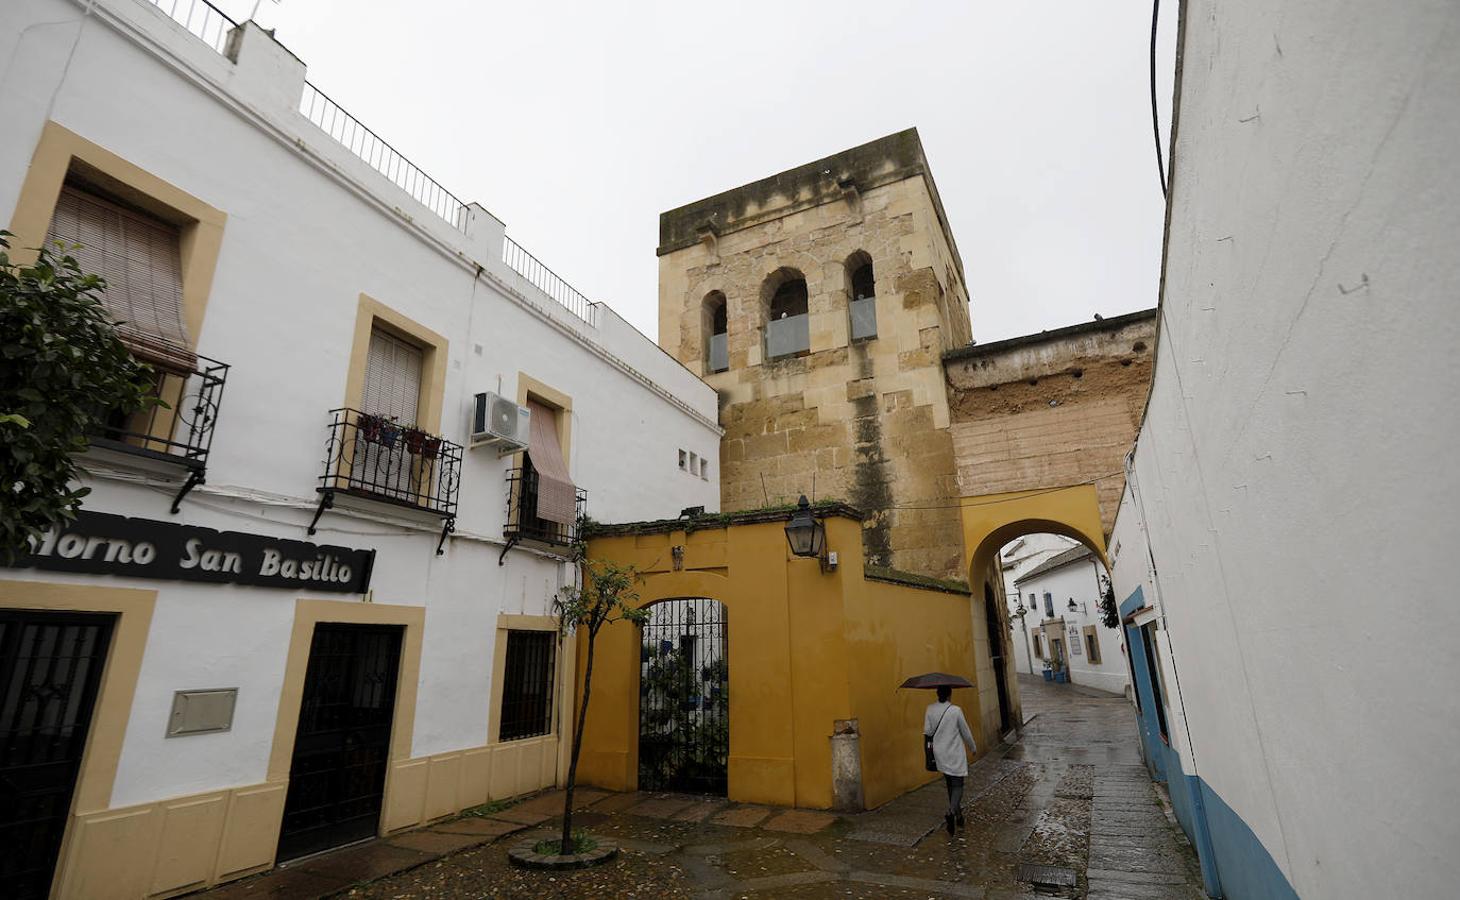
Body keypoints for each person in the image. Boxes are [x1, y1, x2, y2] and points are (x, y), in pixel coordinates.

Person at [925, 685, 977, 835]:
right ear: (950, 695)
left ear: (937, 694)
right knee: (958, 784)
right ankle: (951, 812)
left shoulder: (930, 709)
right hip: (954, 752)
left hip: (939, 753)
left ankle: (959, 816)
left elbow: (927, 733)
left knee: (950, 783)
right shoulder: (955, 710)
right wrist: (972, 747)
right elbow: (965, 731)